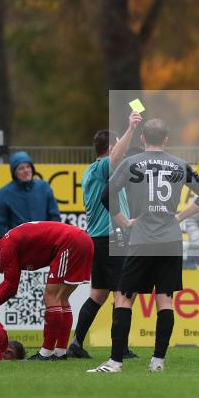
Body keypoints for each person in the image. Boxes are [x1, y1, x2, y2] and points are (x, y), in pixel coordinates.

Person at [87, 118, 199, 374]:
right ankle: (158, 361)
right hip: (170, 240)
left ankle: (115, 362)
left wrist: (122, 221)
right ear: (166, 140)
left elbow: (105, 195)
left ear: (142, 139)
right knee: (165, 300)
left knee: (123, 297)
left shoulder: (131, 163)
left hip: (142, 239)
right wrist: (178, 217)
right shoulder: (179, 164)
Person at [68, 114, 142, 360]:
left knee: (98, 294)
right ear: (110, 149)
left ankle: (76, 344)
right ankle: (119, 348)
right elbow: (117, 156)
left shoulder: (93, 172)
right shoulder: (101, 168)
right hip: (112, 239)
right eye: (117, 144)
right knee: (124, 293)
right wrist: (131, 127)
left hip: (100, 240)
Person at [0, 221, 93, 360]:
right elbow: (8, 284)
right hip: (81, 239)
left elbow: (10, 288)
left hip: (70, 242)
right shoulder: (6, 247)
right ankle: (60, 353)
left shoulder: (5, 250)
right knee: (61, 299)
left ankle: (46, 353)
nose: (0, 272)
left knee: (51, 297)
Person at [0, 151, 61, 239]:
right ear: (14, 173)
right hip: (17, 248)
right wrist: (11, 242)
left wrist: (49, 237)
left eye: (28, 166)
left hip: (44, 244)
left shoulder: (44, 187)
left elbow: (55, 218)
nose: (26, 171)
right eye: (21, 168)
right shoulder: (4, 193)